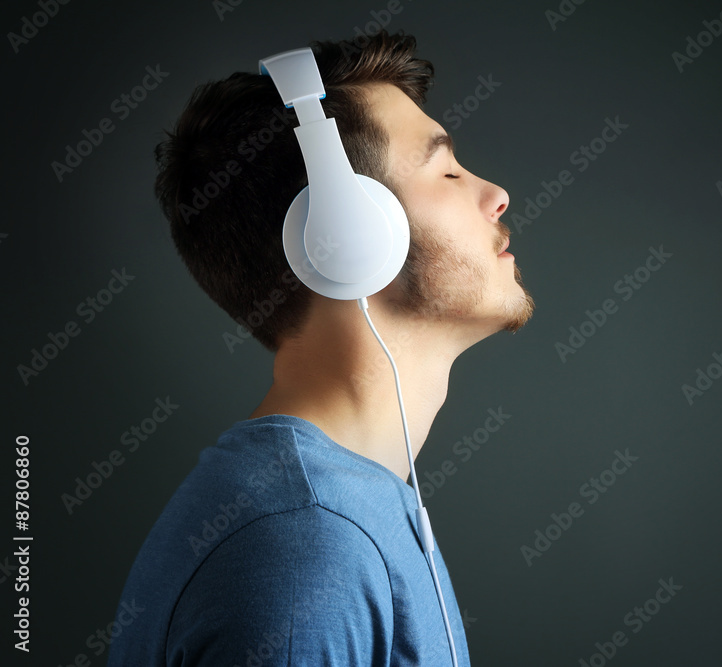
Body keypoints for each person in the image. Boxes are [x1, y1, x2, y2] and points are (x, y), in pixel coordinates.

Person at [108, 30, 534, 666]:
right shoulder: (303, 547)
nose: (496, 193)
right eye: (446, 169)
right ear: (348, 233)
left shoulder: (347, 504)